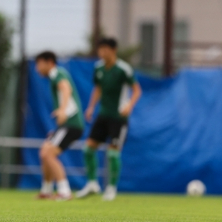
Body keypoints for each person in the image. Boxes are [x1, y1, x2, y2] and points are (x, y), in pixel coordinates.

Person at [76, 37, 142, 201]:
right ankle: (92, 183)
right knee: (88, 149)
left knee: (113, 154)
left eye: (105, 49)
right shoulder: (98, 68)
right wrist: (91, 107)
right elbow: (98, 88)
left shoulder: (123, 69)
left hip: (119, 118)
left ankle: (111, 188)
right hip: (103, 115)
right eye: (100, 49)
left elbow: (137, 90)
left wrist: (129, 106)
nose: (102, 52)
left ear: (113, 50)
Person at [34, 51, 85, 201]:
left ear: (49, 62)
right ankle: (46, 190)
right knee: (44, 151)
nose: (37, 68)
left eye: (39, 64)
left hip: (71, 124)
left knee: (48, 154)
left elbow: (66, 88)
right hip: (67, 125)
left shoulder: (57, 73)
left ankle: (64, 191)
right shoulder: (53, 77)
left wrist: (62, 110)